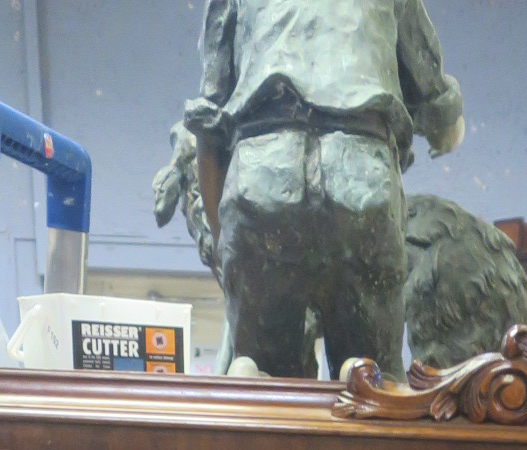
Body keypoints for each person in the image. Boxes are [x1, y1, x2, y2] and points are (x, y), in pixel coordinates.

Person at [186, 0, 465, 379]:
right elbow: (441, 118)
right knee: (375, 386)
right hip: (361, 178)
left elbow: (207, 126)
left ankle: (254, 375)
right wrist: (445, 123)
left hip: (263, 175)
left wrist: (227, 246)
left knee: (260, 383)